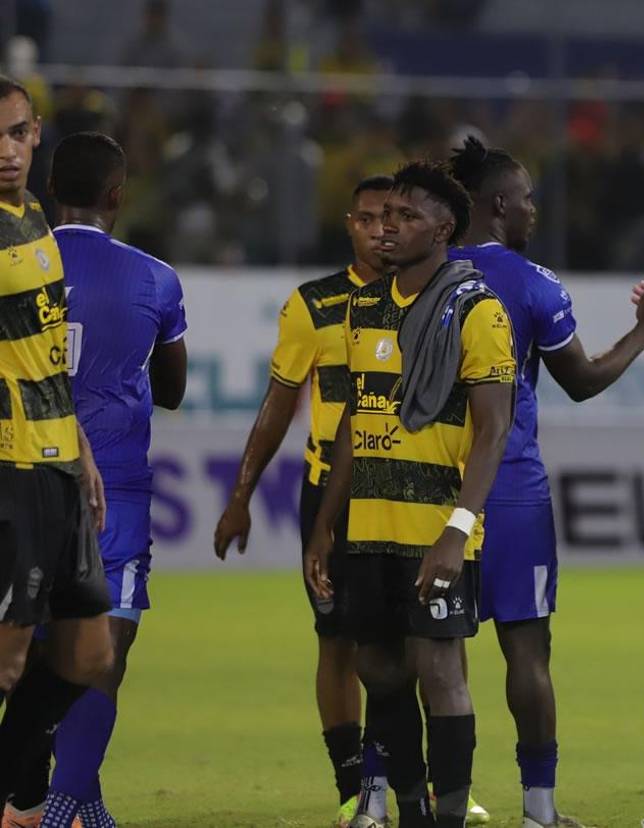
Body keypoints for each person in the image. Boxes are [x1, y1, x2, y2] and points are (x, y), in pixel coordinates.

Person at [448, 136, 644, 828]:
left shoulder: (418, 273)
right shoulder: (534, 284)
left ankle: (411, 796)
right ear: (501, 204)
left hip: (428, 489)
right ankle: (539, 810)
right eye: (529, 196)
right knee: (527, 652)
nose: (535, 208)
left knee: (422, 649)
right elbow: (584, 380)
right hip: (509, 488)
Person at [304, 161, 515, 828]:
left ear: (444, 228)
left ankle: (449, 813)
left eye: (405, 217)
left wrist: (458, 528)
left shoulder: (477, 310)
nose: (388, 228)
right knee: (378, 666)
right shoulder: (361, 306)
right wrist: (325, 526)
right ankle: (411, 809)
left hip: (435, 525)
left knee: (438, 668)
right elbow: (353, 421)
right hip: (367, 524)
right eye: (383, 216)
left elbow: (493, 428)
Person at [1, 131, 188, 828]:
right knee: (100, 652)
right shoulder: (154, 278)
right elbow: (171, 389)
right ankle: (64, 802)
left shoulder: (18, 260)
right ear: (118, 195)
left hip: (19, 470)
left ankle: (47, 800)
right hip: (112, 486)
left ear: (49, 193)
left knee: (27, 650)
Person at [213, 175, 393, 828]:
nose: (380, 230)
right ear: (349, 224)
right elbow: (278, 406)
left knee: (418, 645)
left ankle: (413, 780)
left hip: (411, 491)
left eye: (391, 217)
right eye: (368, 219)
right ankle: (355, 788)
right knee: (340, 643)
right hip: (331, 500)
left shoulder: (433, 295)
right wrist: (241, 497)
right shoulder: (313, 305)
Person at [0, 75, 113, 810]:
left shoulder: (33, 214)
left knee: (87, 655)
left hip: (57, 465)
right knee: (8, 661)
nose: (4, 152)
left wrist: (82, 447)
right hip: (8, 468)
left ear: (37, 133)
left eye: (14, 134)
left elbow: (41, 345)